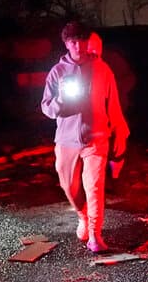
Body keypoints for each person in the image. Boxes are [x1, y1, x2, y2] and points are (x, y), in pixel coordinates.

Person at [41, 22, 129, 252]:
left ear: (86, 41)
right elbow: (46, 108)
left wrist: (120, 130)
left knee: (94, 186)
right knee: (68, 185)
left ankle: (95, 235)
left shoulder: (102, 69)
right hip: (66, 139)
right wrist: (62, 100)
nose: (77, 46)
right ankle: (83, 216)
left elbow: (114, 105)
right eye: (72, 42)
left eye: (81, 41)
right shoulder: (57, 72)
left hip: (96, 136)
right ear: (66, 44)